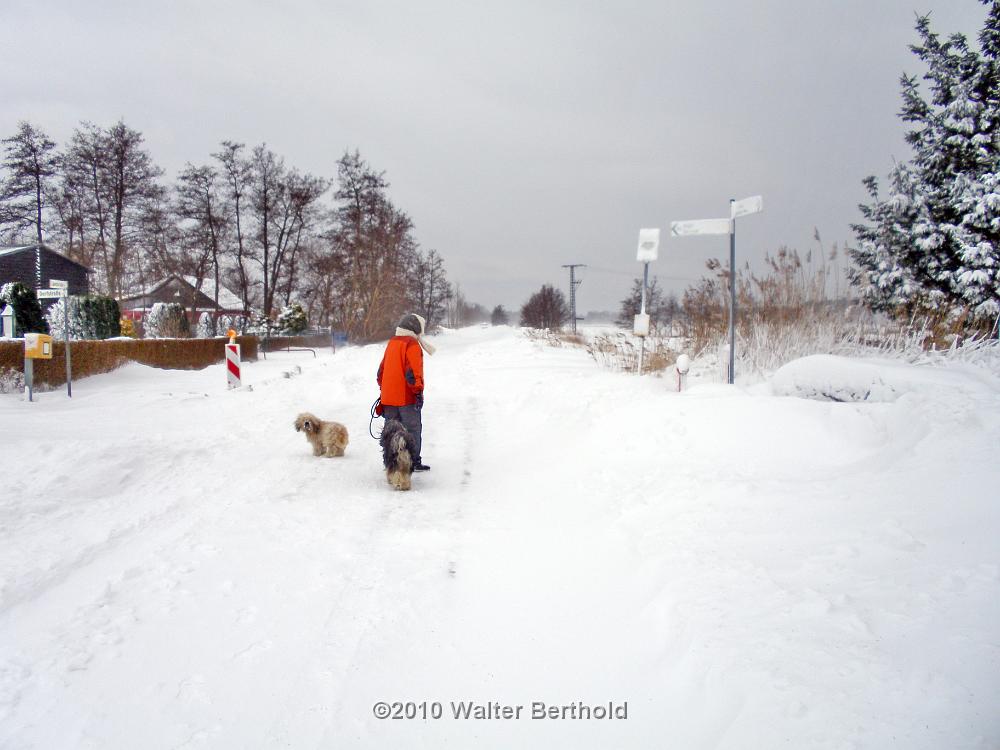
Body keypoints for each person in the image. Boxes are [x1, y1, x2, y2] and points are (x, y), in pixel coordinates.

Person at [377, 313, 435, 471]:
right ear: (416, 327)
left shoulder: (392, 342)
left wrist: (385, 390)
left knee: (391, 431)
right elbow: (413, 372)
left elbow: (380, 372)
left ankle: (391, 462)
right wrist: (417, 392)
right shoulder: (412, 344)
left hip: (388, 398)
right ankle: (413, 461)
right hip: (406, 398)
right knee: (412, 429)